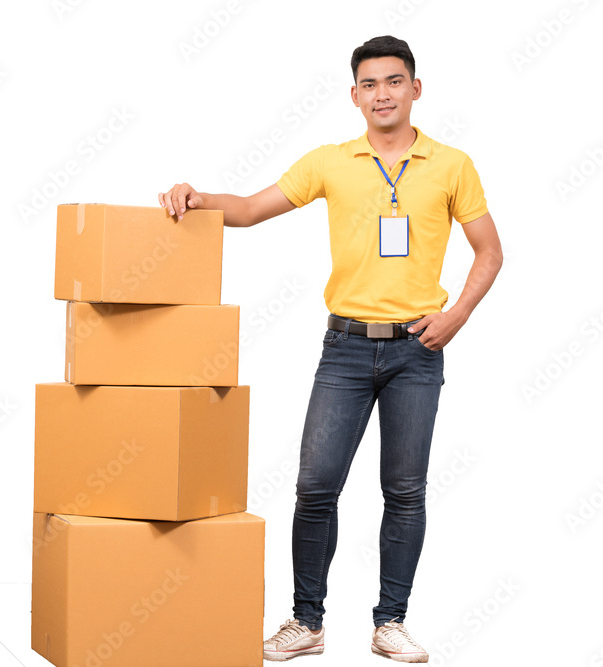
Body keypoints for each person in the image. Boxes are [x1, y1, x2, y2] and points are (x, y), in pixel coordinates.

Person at [158, 34, 502, 664]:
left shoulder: (452, 165)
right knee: (315, 486)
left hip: (417, 352)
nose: (382, 94)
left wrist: (457, 316)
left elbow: (489, 250)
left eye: (394, 81)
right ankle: (306, 620)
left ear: (415, 89)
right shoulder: (331, 161)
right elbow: (254, 206)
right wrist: (200, 198)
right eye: (369, 84)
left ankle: (390, 621)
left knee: (404, 490)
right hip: (344, 348)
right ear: (354, 95)